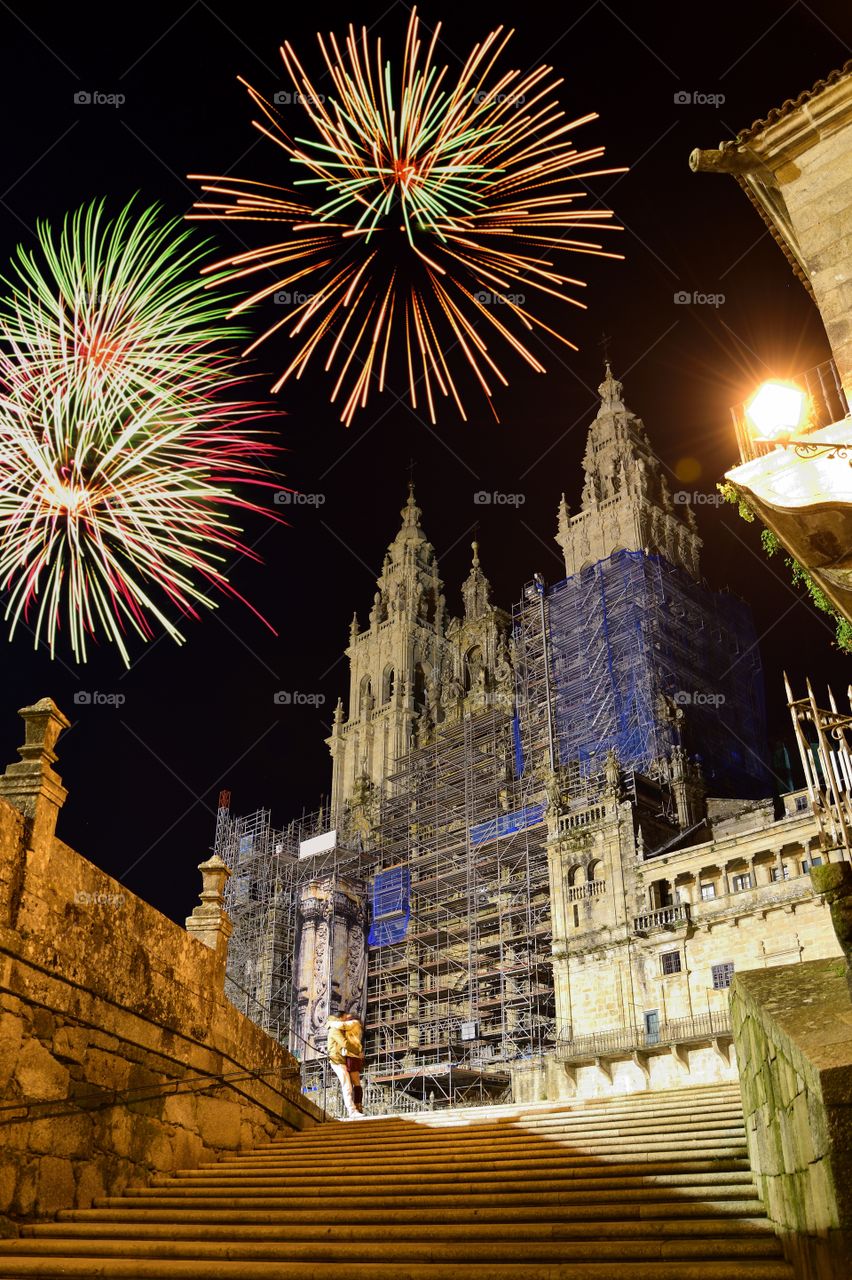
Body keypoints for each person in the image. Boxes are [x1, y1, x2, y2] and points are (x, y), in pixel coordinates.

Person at [326, 1011, 364, 1119]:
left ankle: (355, 1109)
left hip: (341, 1060)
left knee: (350, 1085)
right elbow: (344, 1043)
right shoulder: (334, 1029)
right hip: (337, 1060)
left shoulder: (339, 1028)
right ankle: (352, 1111)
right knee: (347, 1086)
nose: (346, 1020)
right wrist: (358, 1051)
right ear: (341, 1018)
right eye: (345, 1018)